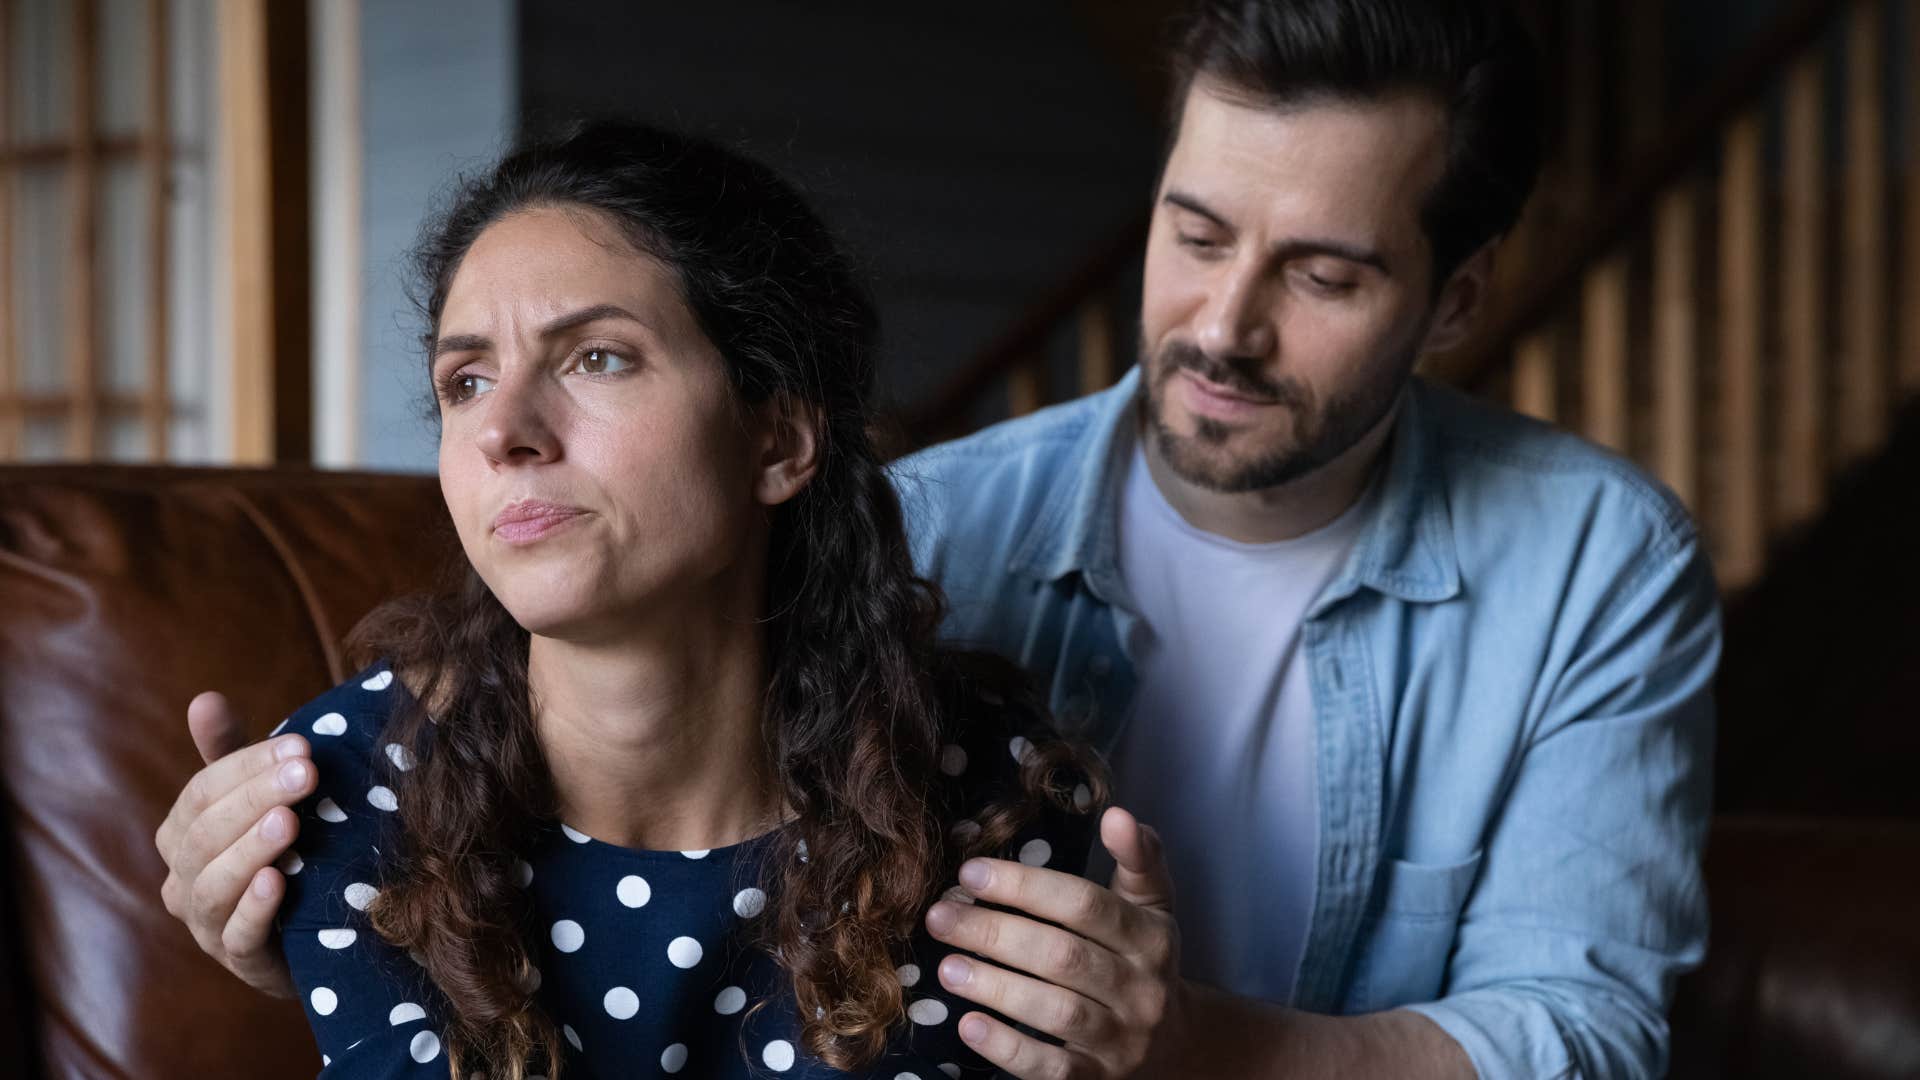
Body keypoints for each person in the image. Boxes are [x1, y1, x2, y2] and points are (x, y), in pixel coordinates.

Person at [156, 1, 1719, 1077]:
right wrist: (318, 923)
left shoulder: (1600, 569)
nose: (1224, 324)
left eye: (1324, 275)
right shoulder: (922, 530)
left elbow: (1585, 1036)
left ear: (1454, 298)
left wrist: (1189, 1049)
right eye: (1192, 235)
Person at [159, 121, 1113, 1078]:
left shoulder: (986, 788)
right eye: (467, 381)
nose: (504, 432)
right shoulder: (363, 791)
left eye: (596, 358)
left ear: (777, 442)